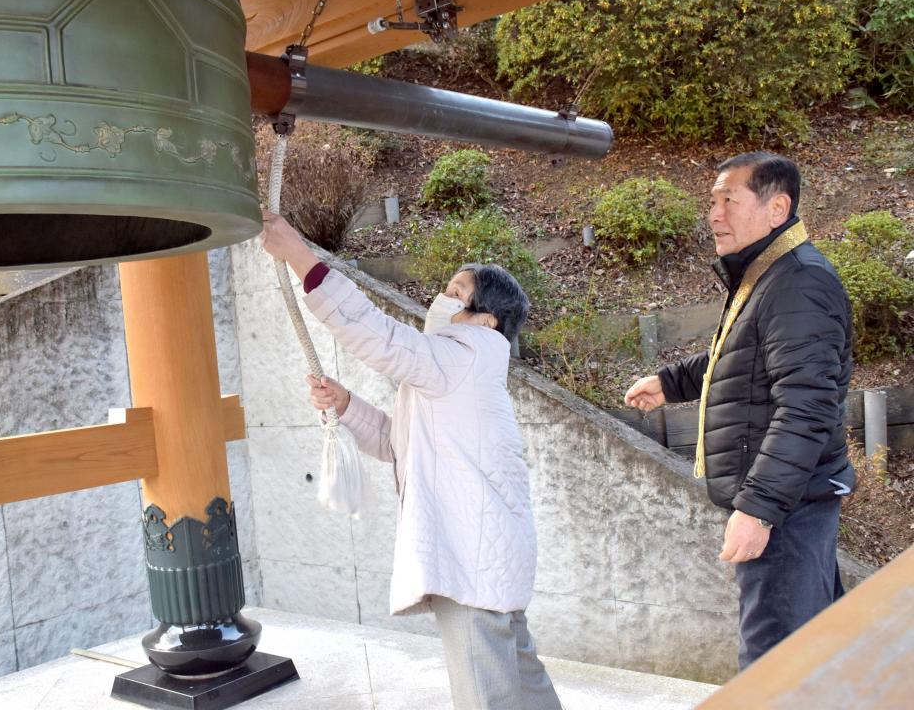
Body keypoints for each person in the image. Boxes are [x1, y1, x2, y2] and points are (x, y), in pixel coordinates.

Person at [261, 209, 561, 710]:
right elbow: (397, 447)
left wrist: (299, 256)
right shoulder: (458, 369)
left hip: (471, 557)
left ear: (487, 319)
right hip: (486, 553)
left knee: (484, 689)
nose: (442, 300)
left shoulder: (461, 357)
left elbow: (375, 334)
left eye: (457, 294)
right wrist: (346, 405)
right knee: (518, 679)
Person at [624, 152, 855, 669]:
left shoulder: (798, 283)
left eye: (730, 199)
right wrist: (669, 381)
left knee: (775, 666)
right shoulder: (773, 275)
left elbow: (806, 408)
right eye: (712, 200)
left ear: (778, 208)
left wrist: (758, 510)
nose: (714, 213)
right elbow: (741, 357)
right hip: (791, 501)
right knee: (817, 656)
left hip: (787, 509)